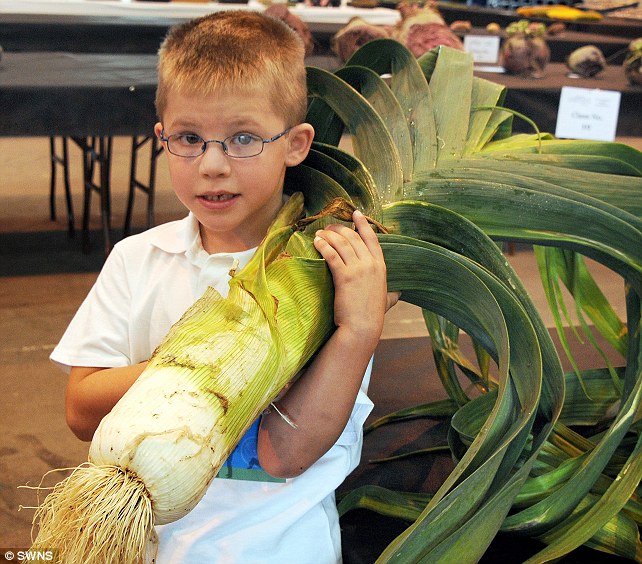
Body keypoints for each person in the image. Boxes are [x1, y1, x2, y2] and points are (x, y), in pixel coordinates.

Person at [50, 10, 397, 563]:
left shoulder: (334, 274)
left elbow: (285, 454)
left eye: (243, 138)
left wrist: (358, 330)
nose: (213, 165)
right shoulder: (137, 259)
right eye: (190, 138)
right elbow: (80, 411)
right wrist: (199, 368)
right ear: (162, 138)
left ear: (297, 143)